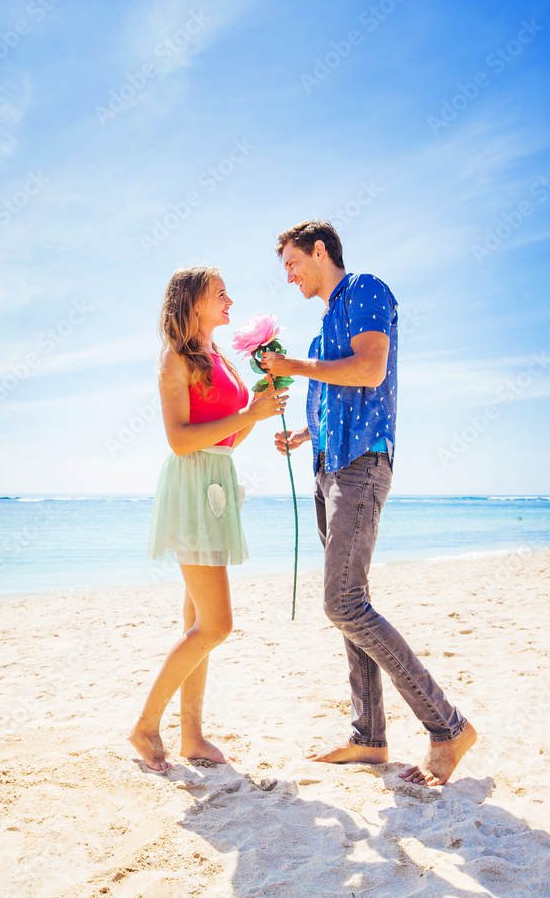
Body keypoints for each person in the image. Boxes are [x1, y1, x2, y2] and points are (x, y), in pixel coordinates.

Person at [261, 220, 476, 786]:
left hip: (362, 467)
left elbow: (370, 369)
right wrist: (301, 436)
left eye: (291, 263)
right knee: (351, 605)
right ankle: (369, 737)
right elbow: (333, 400)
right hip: (328, 469)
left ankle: (447, 727)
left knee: (344, 604)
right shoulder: (321, 330)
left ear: (319, 249)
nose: (288, 276)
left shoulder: (366, 290)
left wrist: (293, 369)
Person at [129, 264, 289, 772]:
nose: (231, 301)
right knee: (217, 624)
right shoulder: (176, 357)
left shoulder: (218, 357)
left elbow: (228, 437)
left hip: (217, 482)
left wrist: (259, 407)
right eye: (221, 293)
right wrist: (248, 416)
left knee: (196, 621)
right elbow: (178, 440)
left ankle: (191, 737)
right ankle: (145, 725)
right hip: (193, 484)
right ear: (194, 301)